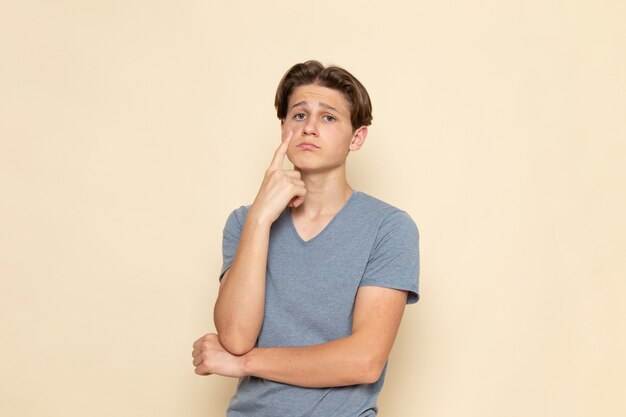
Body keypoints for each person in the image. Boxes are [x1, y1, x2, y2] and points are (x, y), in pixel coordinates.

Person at [192, 60, 420, 417]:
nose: (310, 128)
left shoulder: (388, 228)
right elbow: (235, 338)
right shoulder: (244, 222)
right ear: (283, 128)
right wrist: (260, 218)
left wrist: (245, 364)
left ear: (356, 137)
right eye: (299, 116)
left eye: (328, 117)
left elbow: (364, 361)